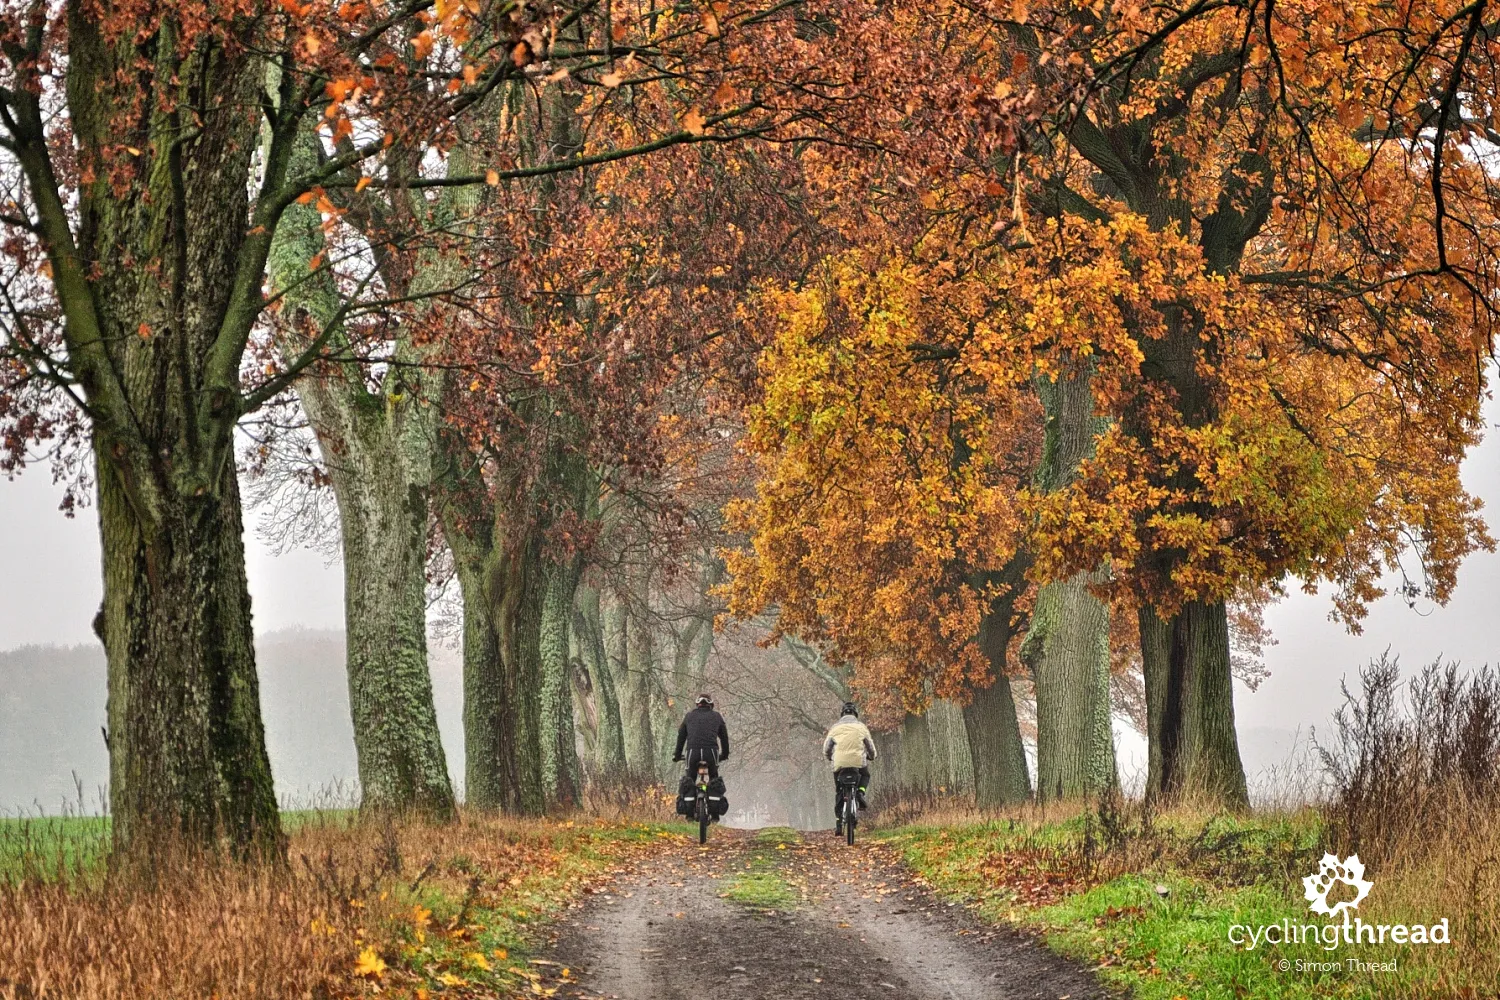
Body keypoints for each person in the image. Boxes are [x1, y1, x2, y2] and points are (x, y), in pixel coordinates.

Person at [823, 701, 876, 836]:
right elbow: (870, 746)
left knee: (839, 790)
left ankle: (839, 823)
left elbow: (826, 748)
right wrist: (872, 756)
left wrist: (830, 757)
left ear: (842, 714)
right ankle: (860, 792)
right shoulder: (861, 727)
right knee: (865, 775)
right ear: (855, 714)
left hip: (839, 764)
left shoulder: (835, 728)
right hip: (858, 762)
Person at [672, 693, 730, 780]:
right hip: (711, 753)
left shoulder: (689, 716)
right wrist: (724, 755)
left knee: (689, 781)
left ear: (697, 705)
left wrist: (677, 755)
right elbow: (724, 738)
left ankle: (690, 792)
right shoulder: (717, 716)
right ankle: (713, 790)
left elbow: (681, 737)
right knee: (714, 780)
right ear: (711, 705)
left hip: (692, 753)